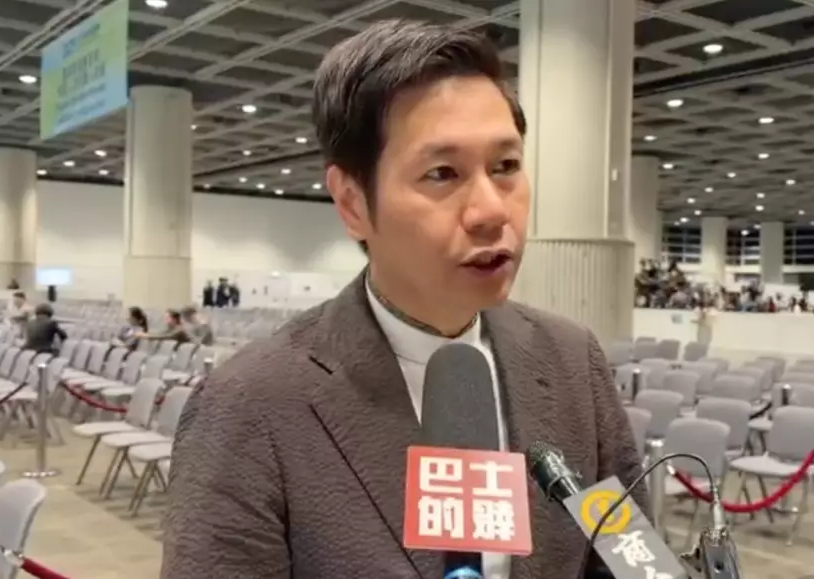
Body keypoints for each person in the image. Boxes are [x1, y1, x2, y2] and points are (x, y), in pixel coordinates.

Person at [161, 19, 647, 579]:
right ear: (352, 204)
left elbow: (631, 563)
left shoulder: (571, 361)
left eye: (506, 166)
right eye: (442, 173)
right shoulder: (250, 404)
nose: (492, 210)